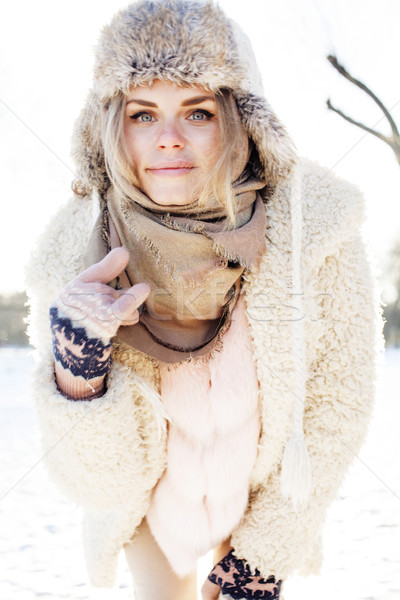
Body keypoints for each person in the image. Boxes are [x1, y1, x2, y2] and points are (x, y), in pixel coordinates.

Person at [24, 1, 382, 599]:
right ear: (113, 127)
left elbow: (338, 403)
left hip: (259, 498)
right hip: (146, 514)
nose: (168, 139)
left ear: (241, 120)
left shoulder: (318, 226)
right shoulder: (72, 251)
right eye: (143, 115)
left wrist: (267, 553)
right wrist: (78, 376)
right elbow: (99, 487)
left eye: (197, 111)